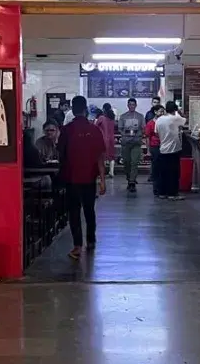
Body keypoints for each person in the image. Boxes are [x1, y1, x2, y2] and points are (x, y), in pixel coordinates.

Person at [57, 95, 107, 259]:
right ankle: (91, 241)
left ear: (73, 109)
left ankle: (77, 246)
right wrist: (102, 180)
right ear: (85, 110)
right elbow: (100, 156)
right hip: (89, 178)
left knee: (74, 212)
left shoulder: (66, 130)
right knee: (89, 209)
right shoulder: (94, 129)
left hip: (71, 178)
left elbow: (60, 154)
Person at [154, 101, 187, 201]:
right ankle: (173, 194)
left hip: (163, 149)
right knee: (174, 173)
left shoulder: (159, 120)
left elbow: (156, 133)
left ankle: (162, 193)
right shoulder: (175, 118)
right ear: (175, 109)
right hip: (174, 150)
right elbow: (184, 121)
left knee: (163, 173)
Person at [117, 97, 145, 193]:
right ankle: (129, 178)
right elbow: (120, 128)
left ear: (136, 105)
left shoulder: (140, 116)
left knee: (134, 162)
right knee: (126, 162)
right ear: (128, 105)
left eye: (133, 104)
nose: (132, 106)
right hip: (126, 143)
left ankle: (132, 182)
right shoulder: (123, 116)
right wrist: (125, 134)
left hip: (136, 142)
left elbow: (143, 128)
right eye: (130, 104)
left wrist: (138, 134)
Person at [143, 104, 164, 196]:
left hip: (164, 147)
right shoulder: (150, 124)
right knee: (156, 168)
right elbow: (147, 138)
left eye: (163, 111)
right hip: (154, 147)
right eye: (160, 111)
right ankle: (156, 189)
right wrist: (148, 150)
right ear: (155, 112)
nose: (162, 113)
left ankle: (162, 187)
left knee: (163, 168)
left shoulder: (164, 122)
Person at [95, 103, 117, 179]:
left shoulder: (101, 118)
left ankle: (102, 173)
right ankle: (112, 172)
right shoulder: (112, 118)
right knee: (111, 156)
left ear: (103, 109)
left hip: (103, 139)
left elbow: (95, 127)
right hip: (111, 139)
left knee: (102, 157)